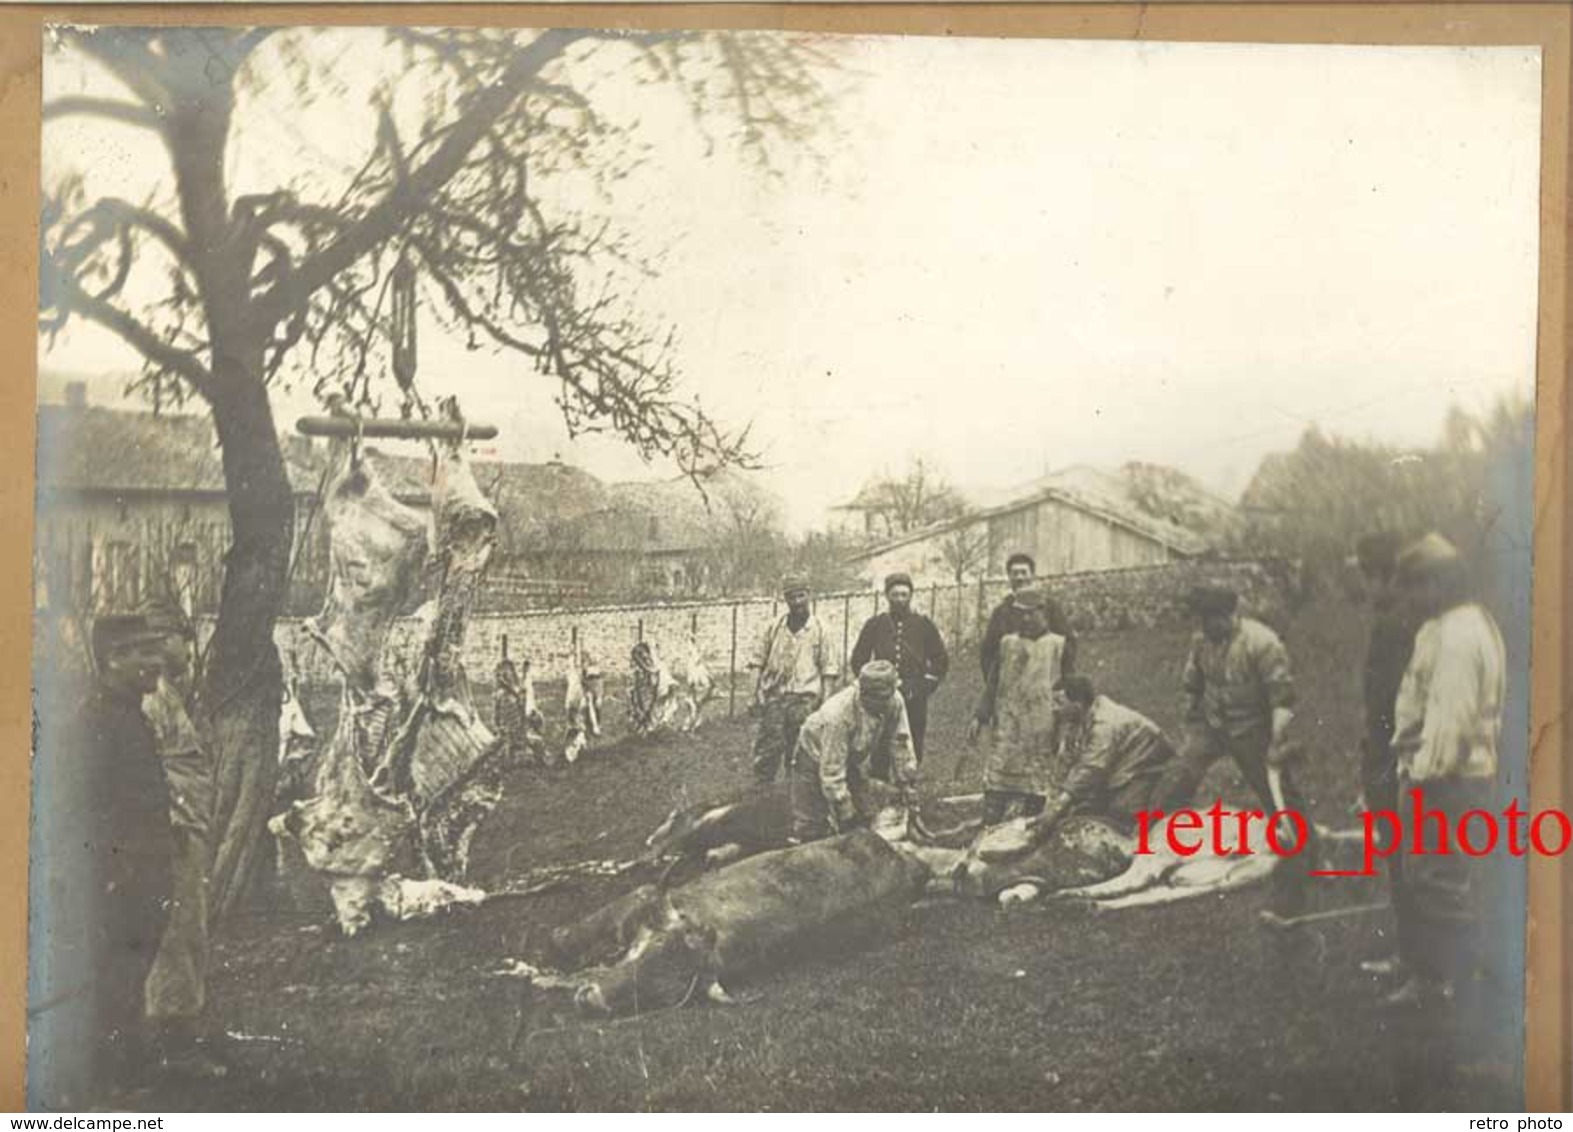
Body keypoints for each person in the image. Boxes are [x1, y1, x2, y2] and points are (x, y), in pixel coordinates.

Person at [30, 613, 176, 1106]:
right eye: (144, 652)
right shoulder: (93, 719)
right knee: (111, 975)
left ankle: (122, 1073)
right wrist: (109, 871)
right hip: (118, 877)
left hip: (145, 870)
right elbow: (76, 807)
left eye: (157, 649)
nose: (157, 661)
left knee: (129, 973)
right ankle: (102, 1084)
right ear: (114, 659)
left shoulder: (129, 713)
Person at [1384, 534, 1506, 1015]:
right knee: (1436, 877)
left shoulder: (1458, 636)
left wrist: (1422, 776)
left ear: (1437, 583)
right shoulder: (1460, 625)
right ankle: (1444, 977)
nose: (1410, 599)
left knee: (1438, 880)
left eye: (1415, 587)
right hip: (1451, 773)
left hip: (1447, 777)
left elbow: (1449, 719)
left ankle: (1454, 984)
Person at [1166, 583, 1316, 915]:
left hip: (1253, 728)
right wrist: (1191, 717)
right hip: (1213, 724)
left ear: (1230, 615)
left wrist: (1276, 740)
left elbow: (1282, 697)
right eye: (1201, 620)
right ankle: (1161, 842)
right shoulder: (1201, 642)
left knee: (1277, 795)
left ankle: (1309, 857)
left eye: (1211, 620)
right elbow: (1192, 683)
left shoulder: (1262, 643)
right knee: (1180, 773)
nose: (1205, 627)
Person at [136, 601, 228, 1080]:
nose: (188, 650)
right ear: (159, 640)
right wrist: (171, 826)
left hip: (187, 825)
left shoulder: (171, 694)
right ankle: (176, 1046)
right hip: (173, 830)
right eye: (180, 639)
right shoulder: (153, 699)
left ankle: (177, 1034)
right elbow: (155, 771)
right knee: (178, 936)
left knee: (189, 932)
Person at [1353, 531, 1423, 979]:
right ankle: (1412, 955)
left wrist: (1381, 755)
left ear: (1382, 576)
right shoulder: (1396, 617)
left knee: (1405, 857)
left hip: (1395, 751)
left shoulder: (1398, 622)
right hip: (1386, 748)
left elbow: (1393, 698)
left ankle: (1418, 960)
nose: (1364, 586)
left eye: (1366, 575)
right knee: (1401, 856)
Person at [1026, 675, 1182, 839]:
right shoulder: (1078, 719)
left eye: (1059, 702)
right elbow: (1071, 762)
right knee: (1082, 808)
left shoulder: (1105, 725)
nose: (1053, 708)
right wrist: (1059, 801)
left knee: (1120, 816)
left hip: (1147, 764)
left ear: (1078, 704)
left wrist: (1057, 808)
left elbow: (1092, 768)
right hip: (1121, 760)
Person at [968, 586, 1068, 824]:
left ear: (1043, 613)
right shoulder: (1007, 644)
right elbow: (992, 683)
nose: (1025, 619)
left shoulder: (1058, 645)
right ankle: (989, 826)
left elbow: (1069, 690)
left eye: (1031, 613)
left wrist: (1064, 727)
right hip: (1008, 724)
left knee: (1037, 785)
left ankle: (1030, 828)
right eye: (1020, 613)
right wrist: (980, 715)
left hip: (1041, 724)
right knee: (998, 781)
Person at [789, 660, 920, 842]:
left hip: (849, 756)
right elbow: (832, 773)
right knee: (812, 826)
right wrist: (846, 814)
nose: (886, 702)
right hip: (814, 755)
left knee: (863, 807)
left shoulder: (894, 701)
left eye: (888, 695)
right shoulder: (838, 715)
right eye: (880, 698)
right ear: (865, 694)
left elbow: (901, 743)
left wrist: (907, 784)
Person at [849, 572, 950, 763]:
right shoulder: (875, 624)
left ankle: (909, 780)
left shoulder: (923, 624)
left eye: (904, 595)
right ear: (887, 596)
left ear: (911, 595)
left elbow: (940, 660)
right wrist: (873, 683)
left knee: (912, 737)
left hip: (914, 693)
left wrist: (924, 686)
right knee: (881, 739)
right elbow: (858, 659)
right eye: (895, 595)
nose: (900, 600)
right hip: (883, 694)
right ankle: (880, 781)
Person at [748, 574, 839, 784]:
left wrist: (825, 706)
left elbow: (829, 671)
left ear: (809, 595)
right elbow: (756, 662)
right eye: (792, 597)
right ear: (785, 599)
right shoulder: (774, 627)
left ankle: (794, 798)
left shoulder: (822, 630)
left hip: (805, 701)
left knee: (799, 754)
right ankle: (761, 795)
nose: (797, 602)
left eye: (801, 596)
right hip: (775, 699)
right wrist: (753, 694)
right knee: (767, 752)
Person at [980, 552, 1077, 682]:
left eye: (1024, 572)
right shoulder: (1001, 612)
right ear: (1009, 577)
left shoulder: (1050, 607)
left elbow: (1068, 641)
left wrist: (1063, 676)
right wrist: (994, 681)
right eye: (1015, 573)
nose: (1020, 578)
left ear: (1032, 575)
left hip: (1047, 679)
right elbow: (988, 651)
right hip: (1011, 681)